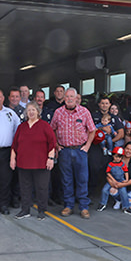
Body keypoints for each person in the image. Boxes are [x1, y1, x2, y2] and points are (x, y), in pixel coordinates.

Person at [53, 88, 96, 219]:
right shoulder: (58, 112)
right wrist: (57, 146)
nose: (70, 99)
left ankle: (83, 207)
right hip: (65, 151)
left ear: (76, 98)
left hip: (80, 150)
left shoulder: (84, 112)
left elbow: (92, 130)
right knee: (66, 180)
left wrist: (87, 146)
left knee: (82, 179)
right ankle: (68, 206)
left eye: (72, 96)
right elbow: (52, 129)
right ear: (64, 98)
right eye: (67, 97)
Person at [11, 102, 56, 220]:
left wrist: (51, 158)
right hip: (23, 163)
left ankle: (42, 210)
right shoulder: (22, 127)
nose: (31, 112)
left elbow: (52, 143)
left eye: (33, 110)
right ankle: (25, 210)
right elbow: (15, 144)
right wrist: (12, 159)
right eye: (29, 110)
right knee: (24, 187)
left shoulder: (45, 125)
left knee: (42, 188)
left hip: (41, 163)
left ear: (38, 112)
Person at [100, 147, 131, 214]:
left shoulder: (122, 164)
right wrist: (113, 180)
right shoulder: (110, 164)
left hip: (121, 180)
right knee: (104, 190)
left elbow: (126, 172)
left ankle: (126, 207)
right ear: (113, 156)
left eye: (119, 157)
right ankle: (103, 204)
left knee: (123, 192)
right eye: (116, 156)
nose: (117, 158)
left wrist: (126, 180)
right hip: (112, 179)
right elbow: (108, 173)